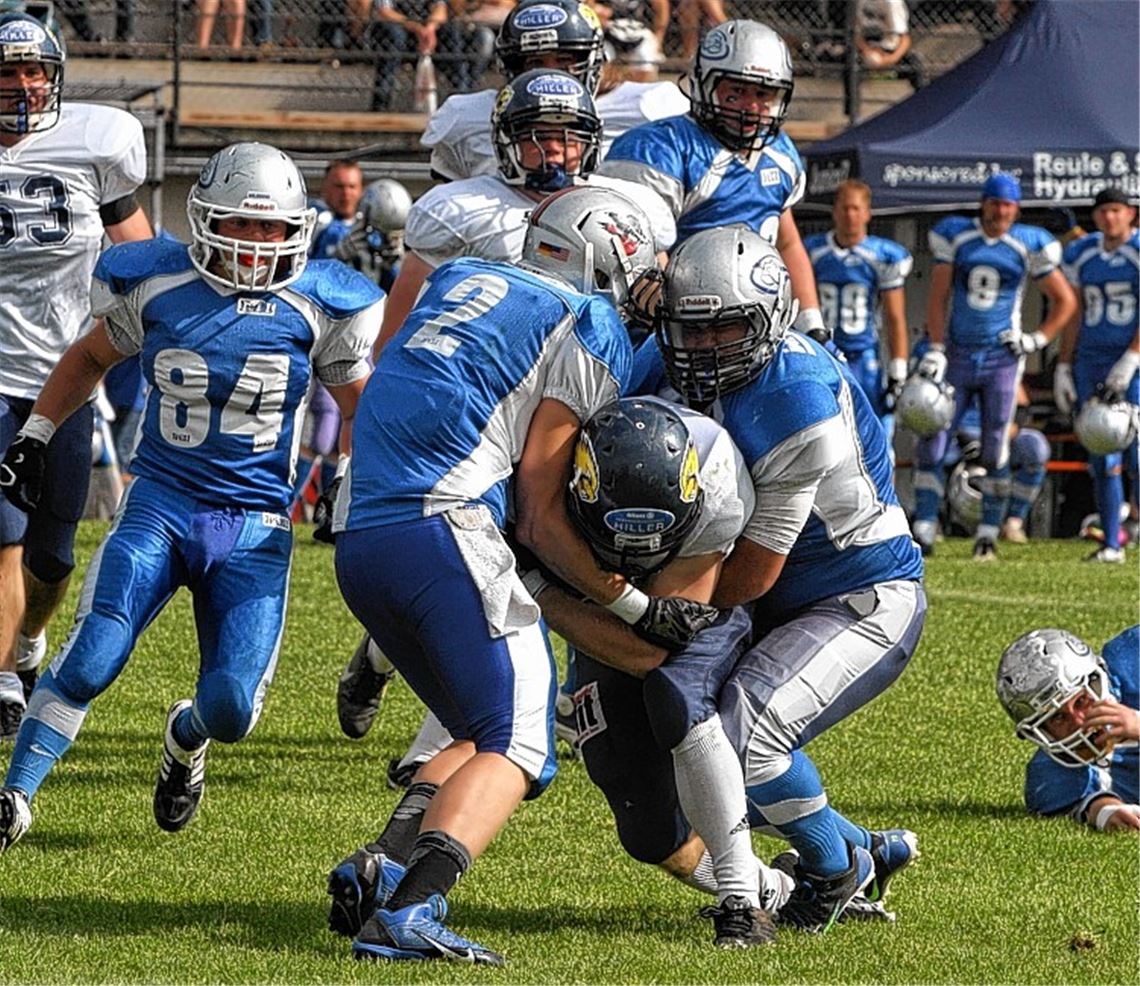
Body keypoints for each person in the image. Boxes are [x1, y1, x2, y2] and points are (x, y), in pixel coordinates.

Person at [326, 186, 718, 964]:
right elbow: (539, 515)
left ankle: (384, 866)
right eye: (642, 269)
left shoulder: (461, 278)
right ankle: (411, 910)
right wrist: (638, 607)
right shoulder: (588, 320)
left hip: (361, 536)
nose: (645, 291)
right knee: (522, 742)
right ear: (609, 252)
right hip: (441, 527)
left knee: (479, 732)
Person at [0, 142, 384, 853]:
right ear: (206, 220)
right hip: (163, 501)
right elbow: (88, 357)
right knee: (92, 657)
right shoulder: (154, 281)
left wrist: (353, 473)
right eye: (240, 225)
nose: (255, 243)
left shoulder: (321, 302)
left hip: (257, 525)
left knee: (232, 709)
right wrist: (39, 434)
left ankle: (186, 736)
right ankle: (15, 796)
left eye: (270, 229)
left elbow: (364, 406)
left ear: (296, 229)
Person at [635, 226, 926, 933]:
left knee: (740, 740)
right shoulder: (658, 360)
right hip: (774, 597)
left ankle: (831, 868)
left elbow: (752, 575)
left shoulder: (798, 393)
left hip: (857, 592)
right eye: (690, 329)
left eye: (727, 327)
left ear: (771, 318)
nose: (704, 348)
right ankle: (859, 847)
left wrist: (648, 608)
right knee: (669, 755)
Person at [0, 11, 151, 740]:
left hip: (66, 374)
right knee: (1, 532)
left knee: (53, 554)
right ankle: (2, 678)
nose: (24, 87)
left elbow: (140, 250)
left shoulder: (96, 142)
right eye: (8, 73)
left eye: (34, 72)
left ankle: (28, 642)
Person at [372, 68, 674, 362]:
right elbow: (393, 339)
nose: (554, 149)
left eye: (568, 137)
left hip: (610, 364)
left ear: (589, 142)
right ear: (506, 140)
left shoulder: (631, 203)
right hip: (493, 371)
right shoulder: (460, 209)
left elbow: (666, 310)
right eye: (538, 137)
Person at [596, 19, 828, 342]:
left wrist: (812, 324)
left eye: (763, 93)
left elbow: (788, 241)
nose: (751, 106)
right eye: (736, 92)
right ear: (704, 85)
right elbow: (645, 255)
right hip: (674, 330)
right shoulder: (661, 148)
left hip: (758, 328)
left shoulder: (781, 152)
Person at [910, 172, 1076, 561]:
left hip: (1001, 358)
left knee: (996, 446)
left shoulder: (1026, 243)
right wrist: (936, 347)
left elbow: (1065, 301)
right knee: (933, 438)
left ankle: (988, 532)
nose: (1001, 211)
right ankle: (926, 526)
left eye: (1008, 205)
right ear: (983, 203)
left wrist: (1036, 339)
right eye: (995, 203)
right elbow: (938, 297)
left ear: (1016, 209)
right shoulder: (959, 237)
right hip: (958, 352)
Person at [419, 0, 689, 183]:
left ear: (594, 60)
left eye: (564, 60)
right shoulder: (465, 117)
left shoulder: (652, 106)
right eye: (535, 62)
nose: (552, 74)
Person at [1056, 187, 1139, 564]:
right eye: (1103, 211)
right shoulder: (1082, 253)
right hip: (1090, 360)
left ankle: (1132, 524)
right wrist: (1063, 364)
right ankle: (1111, 543)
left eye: (1116, 210)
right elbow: (1073, 313)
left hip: (1132, 360)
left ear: (1130, 214)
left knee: (1137, 455)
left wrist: (1131, 359)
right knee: (1101, 450)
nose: (1110, 218)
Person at [996, 626, 1139, 833]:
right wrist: (1107, 812)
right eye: (1058, 718)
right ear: (1041, 731)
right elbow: (1091, 802)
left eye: (1081, 701)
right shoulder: (1050, 775)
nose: (1080, 721)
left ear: (1097, 680)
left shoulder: (1133, 658)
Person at [805, 178, 912, 443]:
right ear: (834, 212)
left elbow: (894, 317)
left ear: (867, 213)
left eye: (855, 208)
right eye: (844, 208)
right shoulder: (813, 251)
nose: (850, 215)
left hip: (864, 356)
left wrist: (898, 367)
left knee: (873, 434)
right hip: (824, 353)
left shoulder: (882, 255)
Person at [294, 159, 368, 522]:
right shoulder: (316, 221)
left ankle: (334, 509)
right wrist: (338, 252)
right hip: (321, 337)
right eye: (339, 186)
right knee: (322, 430)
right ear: (325, 189)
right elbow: (307, 266)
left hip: (364, 341)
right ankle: (291, 505)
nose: (346, 193)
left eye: (352, 186)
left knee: (353, 428)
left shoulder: (370, 229)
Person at [367, 0, 467, 111]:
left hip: (426, 32)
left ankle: (461, 97)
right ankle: (382, 102)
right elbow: (384, 12)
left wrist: (430, 29)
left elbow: (441, 11)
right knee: (394, 33)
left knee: (451, 32)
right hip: (398, 29)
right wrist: (415, 27)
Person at [594, 0, 670, 82]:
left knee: (646, 60)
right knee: (599, 66)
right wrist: (599, 12)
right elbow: (587, 6)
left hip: (637, 31)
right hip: (607, 32)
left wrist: (659, 36)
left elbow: (661, 7)